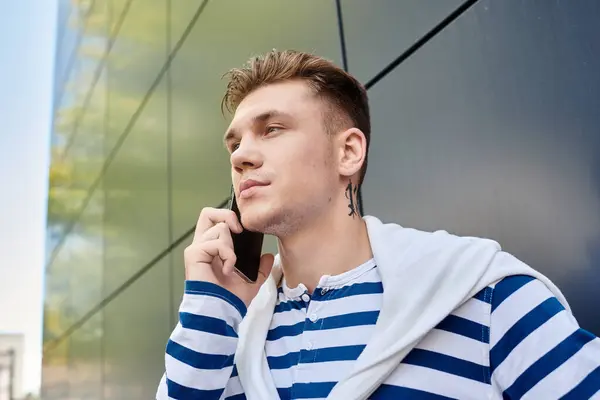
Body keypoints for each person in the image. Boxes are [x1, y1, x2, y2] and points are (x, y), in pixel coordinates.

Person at [156, 50, 600, 400]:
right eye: (234, 143)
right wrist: (209, 312)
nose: (239, 155)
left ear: (349, 151)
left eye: (271, 129)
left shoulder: (483, 295)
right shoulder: (225, 334)